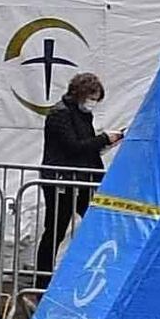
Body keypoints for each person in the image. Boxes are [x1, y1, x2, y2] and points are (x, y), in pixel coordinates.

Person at [34, 73, 113, 275]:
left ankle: (86, 274)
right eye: (91, 98)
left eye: (96, 99)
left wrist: (104, 145)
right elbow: (73, 147)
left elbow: (84, 147)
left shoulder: (82, 115)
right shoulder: (59, 114)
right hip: (61, 181)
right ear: (79, 93)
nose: (92, 103)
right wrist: (103, 139)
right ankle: (42, 282)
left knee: (95, 227)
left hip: (81, 179)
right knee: (55, 232)